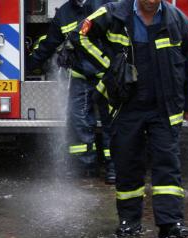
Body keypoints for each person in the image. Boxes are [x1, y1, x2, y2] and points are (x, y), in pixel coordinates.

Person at [77, 0, 188, 238]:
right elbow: (80, 36)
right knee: (127, 164)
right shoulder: (113, 13)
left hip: (164, 108)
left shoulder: (179, 20)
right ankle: (129, 222)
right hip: (127, 106)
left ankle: (170, 223)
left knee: (167, 166)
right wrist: (110, 68)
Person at [25, 0, 116, 184]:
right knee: (79, 122)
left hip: (108, 75)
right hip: (81, 76)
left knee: (112, 122)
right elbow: (50, 43)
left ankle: (113, 168)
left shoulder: (105, 5)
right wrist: (26, 66)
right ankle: (86, 168)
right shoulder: (64, 13)